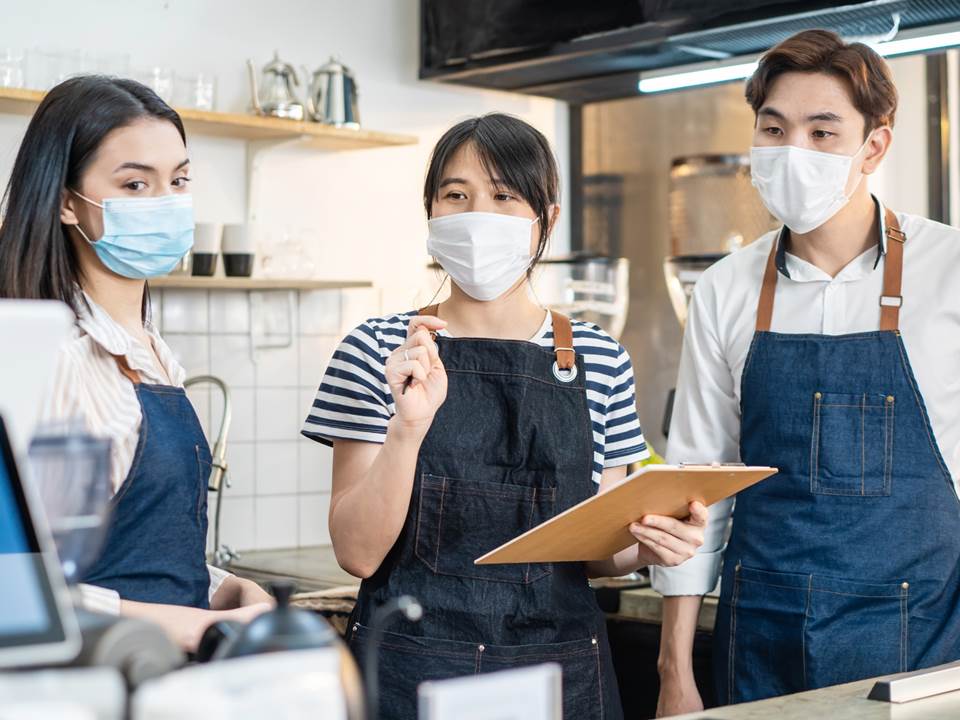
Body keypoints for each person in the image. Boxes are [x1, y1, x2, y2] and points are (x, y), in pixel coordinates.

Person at [302, 113, 708, 720]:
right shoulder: (376, 349)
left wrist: (650, 546)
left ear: (547, 217)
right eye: (456, 196)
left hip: (560, 674)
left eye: (504, 197)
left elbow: (595, 555)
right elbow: (357, 553)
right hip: (410, 670)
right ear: (432, 214)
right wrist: (409, 427)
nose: (478, 216)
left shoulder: (600, 358)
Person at [654, 30, 960, 715]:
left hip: (918, 638)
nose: (794, 151)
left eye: (823, 133)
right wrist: (674, 670)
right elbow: (693, 491)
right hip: (760, 634)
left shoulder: (952, 269)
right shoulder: (726, 289)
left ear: (873, 147)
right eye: (775, 129)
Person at [0, 75, 272, 651]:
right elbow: (18, 588)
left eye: (178, 180)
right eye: (134, 184)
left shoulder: (151, 352)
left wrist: (224, 590)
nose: (166, 203)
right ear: (67, 202)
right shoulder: (56, 360)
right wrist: (201, 625)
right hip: (88, 687)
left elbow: (139, 554)